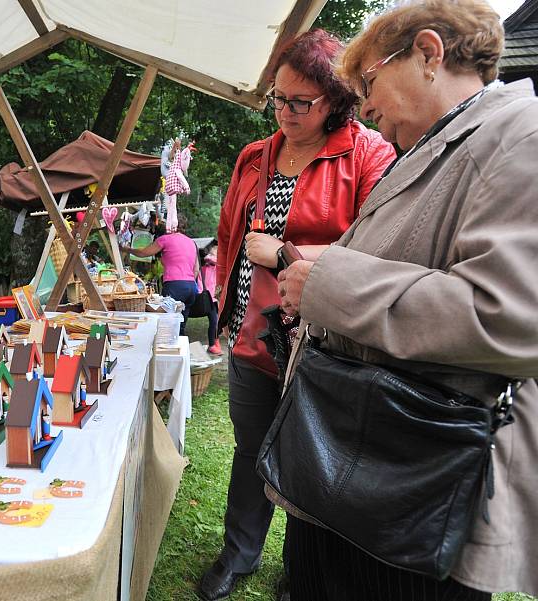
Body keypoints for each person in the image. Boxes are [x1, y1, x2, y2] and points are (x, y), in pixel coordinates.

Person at [277, 1, 538, 598]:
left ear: (427, 53)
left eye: (369, 81)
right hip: (358, 461)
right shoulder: (428, 149)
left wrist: (330, 284)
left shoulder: (521, 135)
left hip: (417, 490)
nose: (363, 106)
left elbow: (514, 318)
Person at [200, 29, 396, 601]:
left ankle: (302, 568)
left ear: (336, 99)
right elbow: (229, 236)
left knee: (311, 461)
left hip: (323, 343)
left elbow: (379, 253)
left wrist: (288, 253)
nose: (284, 112)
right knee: (252, 450)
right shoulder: (254, 157)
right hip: (250, 337)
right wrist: (225, 309)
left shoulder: (367, 154)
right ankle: (240, 554)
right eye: (278, 99)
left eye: (300, 102)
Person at [125, 215, 199, 336]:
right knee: (181, 324)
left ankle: (169, 350)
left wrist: (128, 249)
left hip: (174, 285)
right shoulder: (191, 242)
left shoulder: (165, 239)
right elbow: (196, 270)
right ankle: (180, 351)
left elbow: (144, 253)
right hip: (191, 287)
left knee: (168, 324)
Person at [198, 243, 222, 355]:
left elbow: (217, 261)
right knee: (214, 320)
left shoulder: (215, 264)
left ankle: (215, 343)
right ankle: (212, 344)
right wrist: (210, 255)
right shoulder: (206, 262)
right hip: (205, 295)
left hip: (213, 296)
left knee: (215, 321)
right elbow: (209, 258)